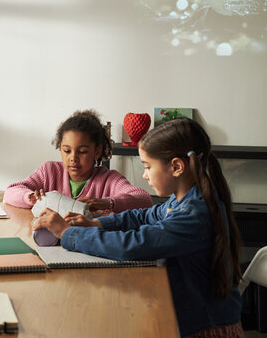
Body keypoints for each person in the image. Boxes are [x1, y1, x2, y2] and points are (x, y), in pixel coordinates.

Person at [33, 118, 243, 337]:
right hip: (191, 319)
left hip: (206, 328)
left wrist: (69, 234)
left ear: (177, 167)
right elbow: (143, 216)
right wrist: (96, 223)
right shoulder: (181, 200)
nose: (144, 175)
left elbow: (134, 245)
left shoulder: (193, 215)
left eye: (148, 166)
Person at [4, 109, 152, 215]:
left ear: (97, 151)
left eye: (82, 152)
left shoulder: (109, 179)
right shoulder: (49, 171)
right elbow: (10, 192)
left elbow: (144, 200)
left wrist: (108, 202)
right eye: (67, 151)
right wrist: (30, 197)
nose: (73, 158)